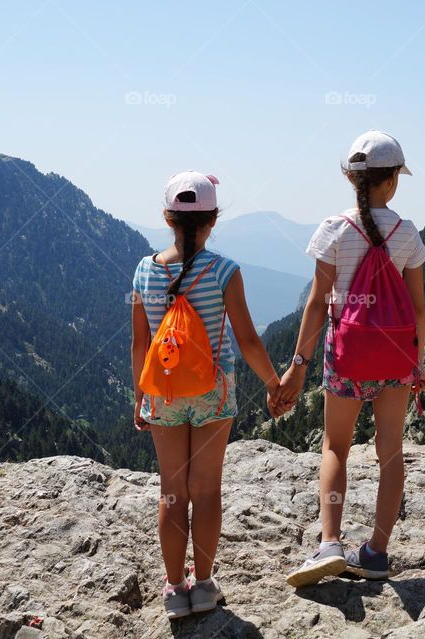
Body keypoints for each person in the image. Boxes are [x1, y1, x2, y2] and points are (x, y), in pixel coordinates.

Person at [280, 131, 425, 587]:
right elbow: (418, 310)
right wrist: (416, 364)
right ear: (394, 182)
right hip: (394, 359)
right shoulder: (406, 233)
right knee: (390, 453)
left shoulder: (334, 230)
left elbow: (316, 302)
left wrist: (298, 362)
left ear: (351, 178)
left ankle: (330, 542)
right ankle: (377, 553)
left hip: (345, 355)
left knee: (335, 446)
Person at [130, 171, 284, 617]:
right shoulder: (224, 271)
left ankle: (174, 589)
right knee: (207, 491)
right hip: (214, 393)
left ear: (166, 217)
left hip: (163, 392)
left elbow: (140, 343)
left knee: (173, 491)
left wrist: (139, 396)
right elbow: (249, 340)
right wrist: (275, 384)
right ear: (213, 220)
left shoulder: (144, 271)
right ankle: (203, 585)